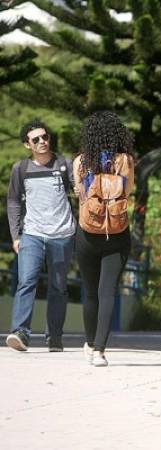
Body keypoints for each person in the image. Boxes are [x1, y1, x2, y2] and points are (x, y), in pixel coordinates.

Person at [6, 119, 76, 352]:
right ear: (27, 145)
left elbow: (80, 191)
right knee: (26, 282)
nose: (42, 141)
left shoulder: (64, 163)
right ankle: (20, 333)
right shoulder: (21, 169)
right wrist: (16, 235)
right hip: (32, 234)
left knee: (58, 286)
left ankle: (54, 336)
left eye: (44, 137)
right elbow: (14, 202)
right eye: (36, 139)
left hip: (62, 234)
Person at [73, 111, 135, 367]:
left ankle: (89, 343)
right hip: (117, 233)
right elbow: (127, 192)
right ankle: (99, 350)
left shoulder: (80, 162)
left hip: (87, 233)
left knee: (90, 293)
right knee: (107, 291)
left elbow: (81, 197)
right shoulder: (125, 161)